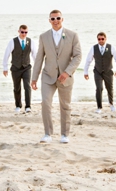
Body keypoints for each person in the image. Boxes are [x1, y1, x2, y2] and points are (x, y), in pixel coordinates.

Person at [32, 10, 82, 144]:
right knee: (45, 103)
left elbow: (78, 56)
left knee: (65, 105)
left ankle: (64, 135)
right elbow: (39, 58)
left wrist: (67, 72)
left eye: (58, 18)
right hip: (48, 76)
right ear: (49, 20)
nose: (55, 21)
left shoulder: (72, 35)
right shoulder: (43, 37)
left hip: (66, 77)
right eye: (53, 19)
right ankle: (47, 134)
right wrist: (34, 78)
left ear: (62, 19)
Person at [83, 32, 116, 114]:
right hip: (98, 71)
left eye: (102, 39)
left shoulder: (110, 47)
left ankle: (111, 104)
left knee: (109, 88)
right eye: (99, 39)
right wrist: (85, 72)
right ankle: (99, 107)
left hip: (108, 71)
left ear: (105, 39)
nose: (100, 41)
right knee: (99, 88)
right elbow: (88, 60)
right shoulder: (94, 48)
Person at [2, 25, 37, 113]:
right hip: (15, 68)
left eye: (26, 32)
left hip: (26, 67)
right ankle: (18, 105)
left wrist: (37, 67)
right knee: (16, 87)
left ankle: (28, 106)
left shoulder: (31, 41)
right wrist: (5, 67)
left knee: (27, 86)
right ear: (19, 31)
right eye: (22, 32)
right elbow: (6, 54)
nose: (24, 34)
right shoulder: (13, 42)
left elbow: (34, 55)